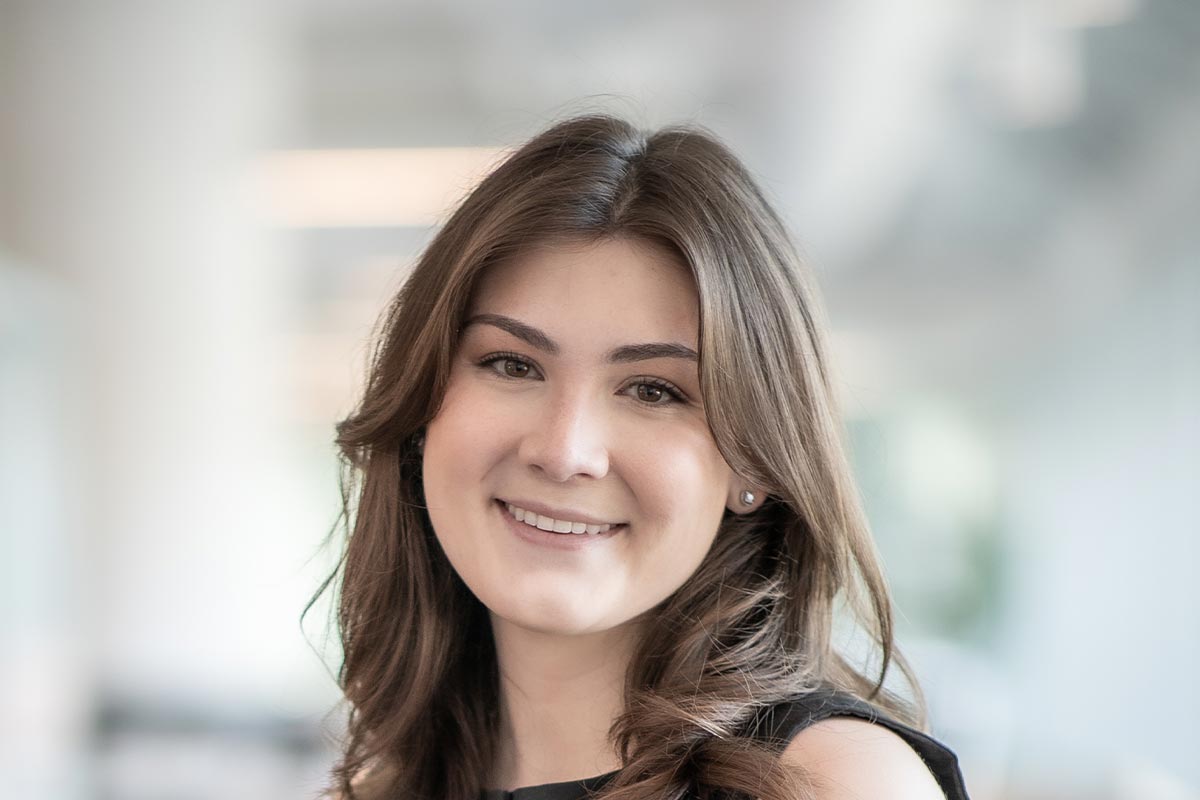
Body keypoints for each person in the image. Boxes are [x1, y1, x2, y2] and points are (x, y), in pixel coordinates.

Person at [314, 113, 971, 800]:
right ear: (422, 405)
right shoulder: (378, 788)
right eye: (512, 365)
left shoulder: (831, 784)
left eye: (654, 390)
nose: (564, 452)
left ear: (756, 465)